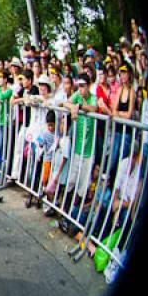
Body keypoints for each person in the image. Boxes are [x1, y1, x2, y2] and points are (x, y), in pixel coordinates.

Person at [63, 74, 98, 204]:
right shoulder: (77, 95)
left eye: (83, 86)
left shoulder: (93, 97)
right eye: (79, 86)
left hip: (89, 148)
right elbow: (65, 102)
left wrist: (80, 107)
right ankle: (65, 205)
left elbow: (93, 108)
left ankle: (76, 208)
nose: (81, 89)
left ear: (88, 86)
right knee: (72, 176)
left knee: (84, 181)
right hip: (77, 146)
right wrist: (72, 106)